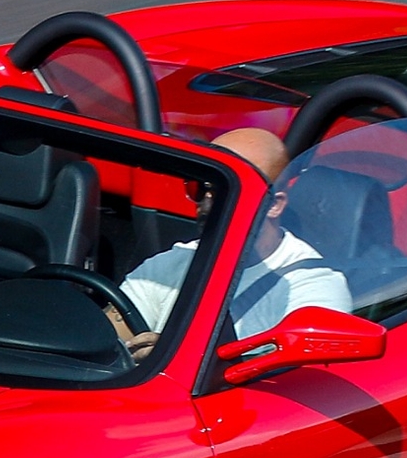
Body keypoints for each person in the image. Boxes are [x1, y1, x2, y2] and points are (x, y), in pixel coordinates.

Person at [119, 128, 351, 351]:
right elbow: (102, 340)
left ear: (273, 205)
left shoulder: (314, 287)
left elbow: (304, 383)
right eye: (200, 187)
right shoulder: (173, 263)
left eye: (225, 189)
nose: (207, 201)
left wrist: (175, 358)